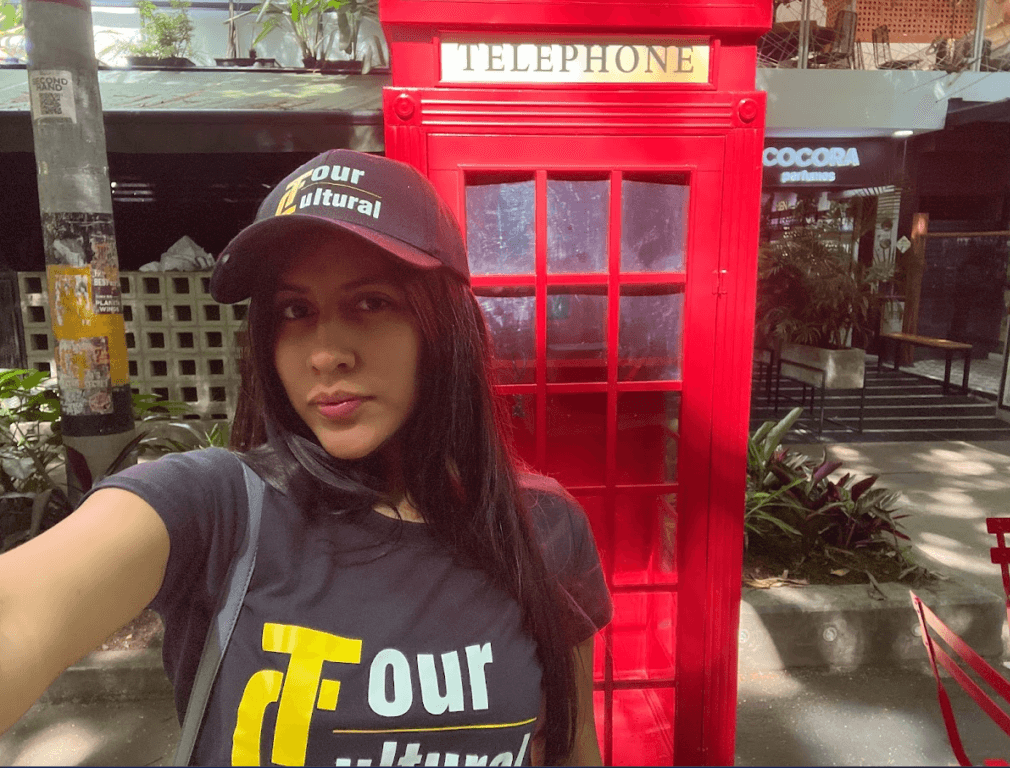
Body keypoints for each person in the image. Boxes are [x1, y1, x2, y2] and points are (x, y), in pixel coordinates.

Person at [0, 150, 612, 766]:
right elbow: (20, 612)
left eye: (370, 302)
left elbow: (570, 739)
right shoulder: (214, 505)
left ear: (444, 326)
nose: (325, 354)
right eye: (296, 312)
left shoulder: (542, 526)